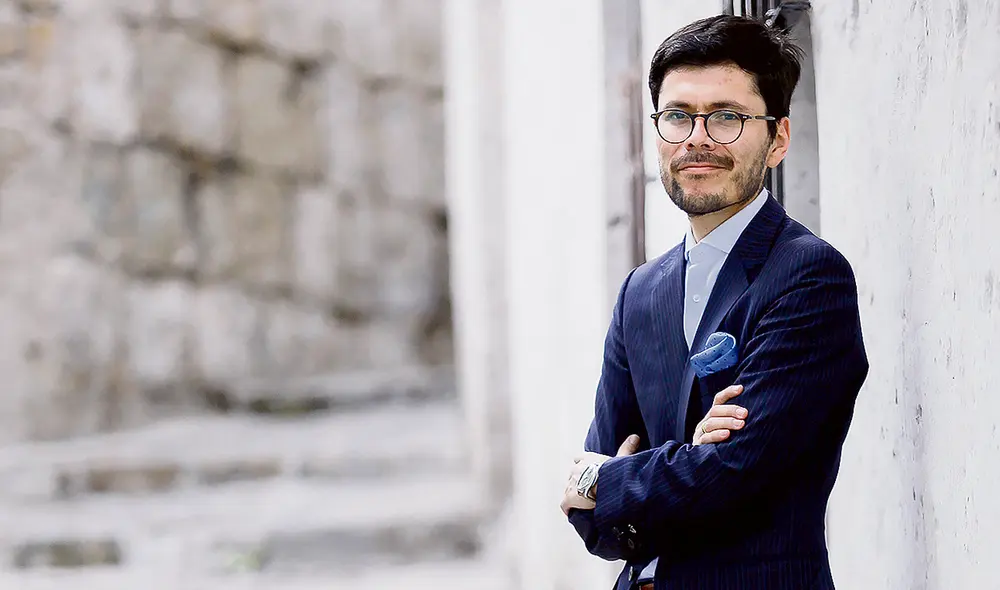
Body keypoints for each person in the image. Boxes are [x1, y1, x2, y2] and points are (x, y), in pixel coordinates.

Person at [559, 14, 869, 590]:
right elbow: (586, 518)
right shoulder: (641, 294)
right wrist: (678, 462)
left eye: (726, 117)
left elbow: (734, 470)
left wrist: (615, 480)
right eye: (677, 116)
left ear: (778, 138)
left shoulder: (808, 276)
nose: (696, 138)